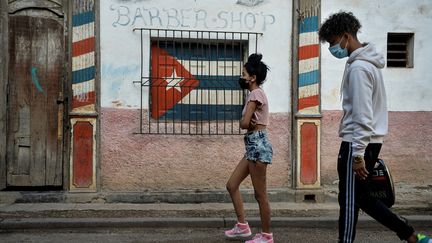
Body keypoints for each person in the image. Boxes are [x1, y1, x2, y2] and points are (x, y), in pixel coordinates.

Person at [318, 11, 431, 243]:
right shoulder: (368, 65)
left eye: (332, 42)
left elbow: (362, 115)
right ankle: (409, 234)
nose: (332, 48)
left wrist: (357, 154)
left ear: (345, 36)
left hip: (356, 143)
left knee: (349, 200)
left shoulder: (359, 68)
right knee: (363, 198)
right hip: (369, 142)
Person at [224, 53, 274, 243]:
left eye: (244, 74)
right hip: (254, 144)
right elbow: (248, 124)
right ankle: (243, 226)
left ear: (252, 78)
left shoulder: (255, 94)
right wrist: (247, 123)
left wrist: (244, 121)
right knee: (232, 184)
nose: (242, 77)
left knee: (260, 195)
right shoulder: (256, 93)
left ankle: (267, 236)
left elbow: (244, 124)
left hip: (258, 145)